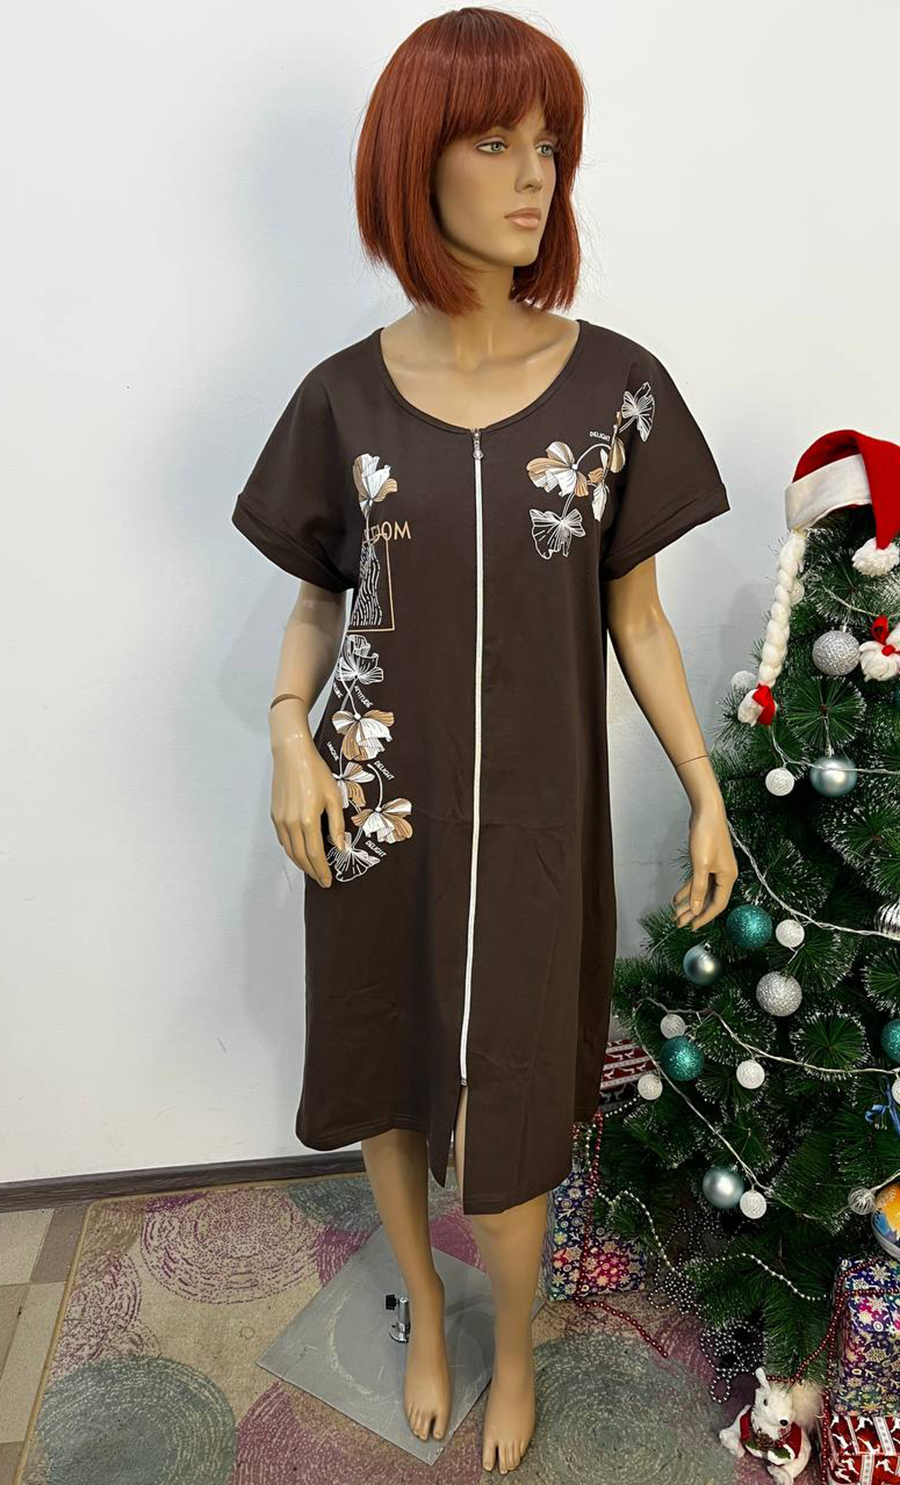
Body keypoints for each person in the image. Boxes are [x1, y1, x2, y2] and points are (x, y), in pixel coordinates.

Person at [231, 7, 737, 1473]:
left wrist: (706, 792)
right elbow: (317, 606)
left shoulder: (616, 389)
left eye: (551, 147)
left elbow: (638, 621)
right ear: (416, 163)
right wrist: (288, 736)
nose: (535, 177)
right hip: (370, 809)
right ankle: (429, 1320)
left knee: (511, 1109)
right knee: (389, 1070)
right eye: (496, 142)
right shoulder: (342, 396)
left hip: (532, 830)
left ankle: (510, 1347)